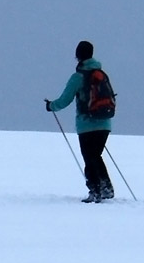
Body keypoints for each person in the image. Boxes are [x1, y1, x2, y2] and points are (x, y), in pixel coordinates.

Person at [45, 40, 115, 201]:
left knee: (90, 157)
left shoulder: (79, 77)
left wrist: (51, 106)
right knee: (96, 156)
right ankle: (106, 188)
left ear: (78, 56)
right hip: (105, 123)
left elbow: (65, 100)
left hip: (87, 125)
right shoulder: (101, 74)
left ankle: (95, 191)